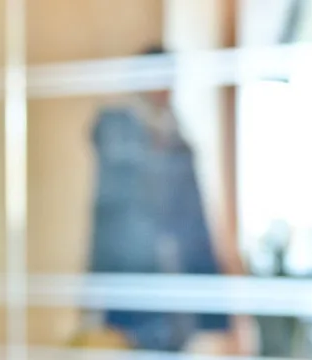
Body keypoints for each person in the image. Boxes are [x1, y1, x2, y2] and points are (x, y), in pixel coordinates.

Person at [81, 44, 247, 354]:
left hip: (176, 281)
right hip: (133, 277)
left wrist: (213, 299)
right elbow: (108, 218)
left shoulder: (178, 137)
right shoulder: (118, 130)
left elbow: (195, 221)